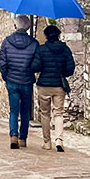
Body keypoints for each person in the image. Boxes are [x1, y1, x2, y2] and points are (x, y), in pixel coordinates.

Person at [32, 24, 75, 152]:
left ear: (46, 36)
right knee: (58, 113)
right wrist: (62, 72)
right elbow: (70, 68)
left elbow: (36, 67)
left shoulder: (41, 49)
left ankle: (47, 142)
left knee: (45, 114)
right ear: (58, 35)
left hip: (44, 85)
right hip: (59, 85)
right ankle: (59, 140)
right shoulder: (65, 49)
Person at [0, 14, 39, 149]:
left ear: (15, 26)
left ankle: (13, 136)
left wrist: (6, 77)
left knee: (13, 110)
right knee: (26, 111)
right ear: (28, 27)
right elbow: (36, 64)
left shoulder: (6, 42)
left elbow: (2, 63)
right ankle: (23, 138)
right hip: (27, 81)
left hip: (12, 80)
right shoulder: (34, 43)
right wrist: (30, 71)